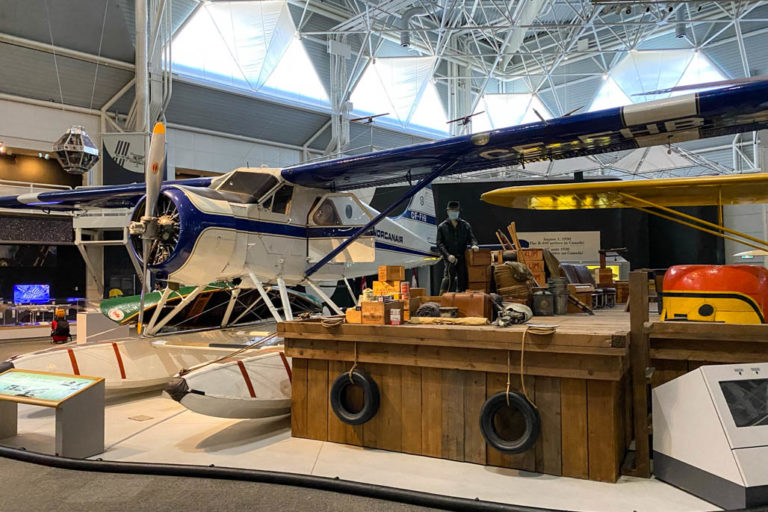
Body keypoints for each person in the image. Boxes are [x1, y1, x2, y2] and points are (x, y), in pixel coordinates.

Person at [436, 201, 479, 293]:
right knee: (448, 279)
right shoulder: (442, 227)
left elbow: (471, 238)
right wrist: (447, 255)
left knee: (463, 279)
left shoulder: (465, 225)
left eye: (455, 211)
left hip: (462, 257)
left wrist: (474, 245)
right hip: (449, 259)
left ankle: (462, 297)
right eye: (451, 211)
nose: (453, 212)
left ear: (459, 212)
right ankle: (445, 297)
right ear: (447, 212)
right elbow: (439, 243)